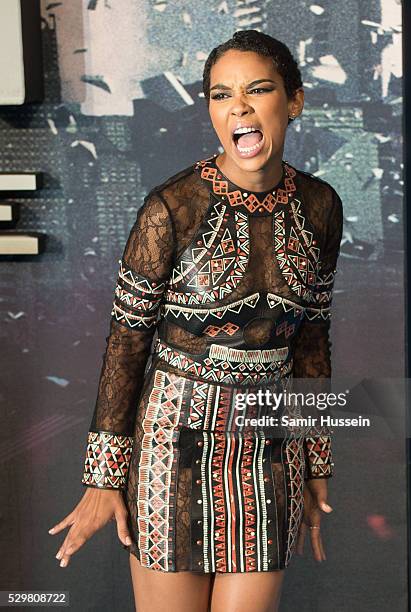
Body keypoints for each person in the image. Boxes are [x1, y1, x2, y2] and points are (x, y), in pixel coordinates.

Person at [48, 30, 343, 612]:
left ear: (294, 101)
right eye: (219, 94)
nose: (238, 107)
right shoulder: (169, 209)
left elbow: (312, 338)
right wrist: (104, 476)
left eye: (258, 90)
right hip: (170, 446)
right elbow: (126, 344)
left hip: (269, 445)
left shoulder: (321, 205)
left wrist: (314, 457)